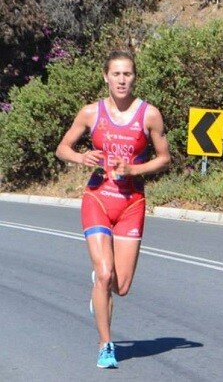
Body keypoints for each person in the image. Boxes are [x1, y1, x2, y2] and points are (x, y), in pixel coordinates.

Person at [56, 50, 171, 368]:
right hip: (97, 198)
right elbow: (62, 148)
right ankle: (106, 345)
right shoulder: (91, 113)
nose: (122, 80)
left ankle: (101, 282)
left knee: (121, 287)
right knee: (106, 274)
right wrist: (82, 157)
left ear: (135, 78)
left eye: (128, 74)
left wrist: (134, 170)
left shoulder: (149, 115)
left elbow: (164, 157)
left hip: (132, 204)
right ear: (105, 77)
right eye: (116, 74)